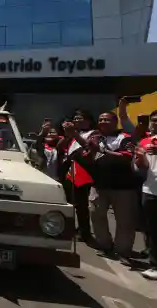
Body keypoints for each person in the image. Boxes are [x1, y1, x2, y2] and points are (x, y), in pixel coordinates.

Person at [67, 112, 137, 262]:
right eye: (101, 119)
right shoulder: (95, 137)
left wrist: (102, 151)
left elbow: (126, 157)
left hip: (123, 187)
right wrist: (75, 135)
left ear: (115, 122)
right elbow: (88, 150)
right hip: (99, 185)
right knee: (96, 216)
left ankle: (122, 251)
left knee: (124, 221)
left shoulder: (124, 138)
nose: (103, 121)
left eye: (107, 119)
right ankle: (105, 245)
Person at [59, 110, 95, 243]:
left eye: (80, 118)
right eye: (75, 118)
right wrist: (67, 135)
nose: (77, 120)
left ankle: (84, 232)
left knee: (81, 203)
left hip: (83, 170)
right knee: (69, 201)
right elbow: (60, 147)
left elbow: (88, 147)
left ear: (88, 121)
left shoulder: (93, 133)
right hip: (70, 169)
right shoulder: (74, 135)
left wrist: (73, 133)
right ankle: (69, 227)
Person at [134, 110, 157, 279]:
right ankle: (154, 264)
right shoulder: (145, 141)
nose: (155, 123)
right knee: (151, 229)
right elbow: (140, 169)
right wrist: (140, 161)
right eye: (154, 120)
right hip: (150, 190)